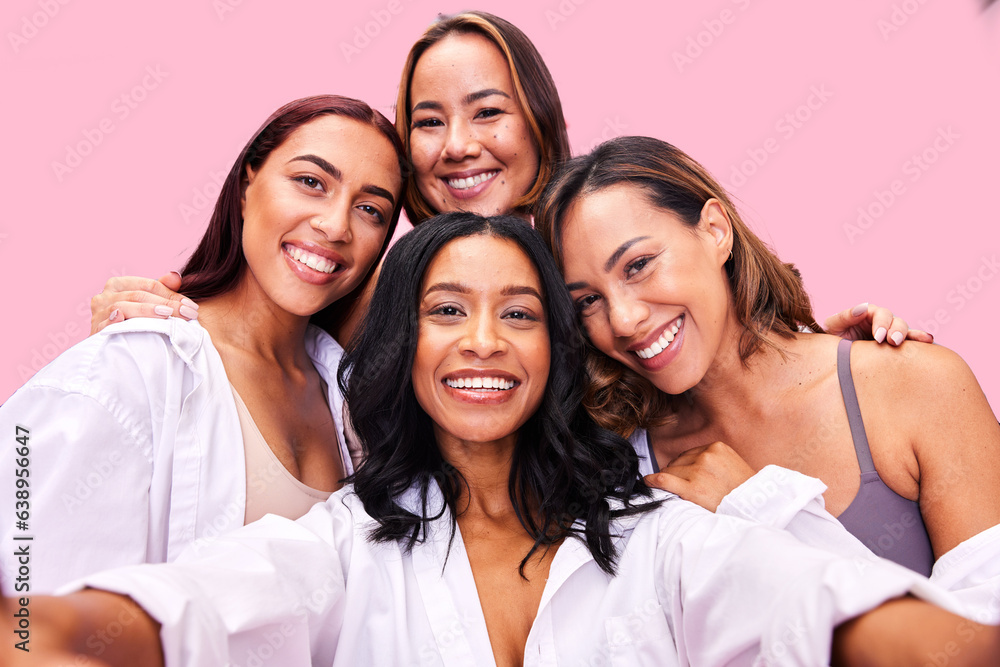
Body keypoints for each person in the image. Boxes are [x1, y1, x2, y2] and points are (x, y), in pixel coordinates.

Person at [6, 213, 998, 667]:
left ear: (559, 351)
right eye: (447, 309)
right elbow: (148, 624)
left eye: (520, 312)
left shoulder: (670, 533)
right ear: (404, 343)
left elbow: (923, 644)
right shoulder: (339, 549)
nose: (483, 340)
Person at [84, 11, 916, 349]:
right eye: (428, 121)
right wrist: (145, 330)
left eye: (488, 112)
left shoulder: (604, 270)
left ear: (540, 123)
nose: (457, 146)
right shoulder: (355, 289)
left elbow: (706, 365)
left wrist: (808, 354)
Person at [536, 135, 1000, 616]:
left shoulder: (912, 385)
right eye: (587, 300)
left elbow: (980, 641)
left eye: (638, 266)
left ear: (715, 231)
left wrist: (758, 510)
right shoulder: (623, 462)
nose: (624, 320)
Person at [0, 95, 406, 594]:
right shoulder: (131, 370)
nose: (336, 225)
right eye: (311, 182)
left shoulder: (353, 402)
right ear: (246, 184)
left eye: (370, 209)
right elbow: (34, 621)